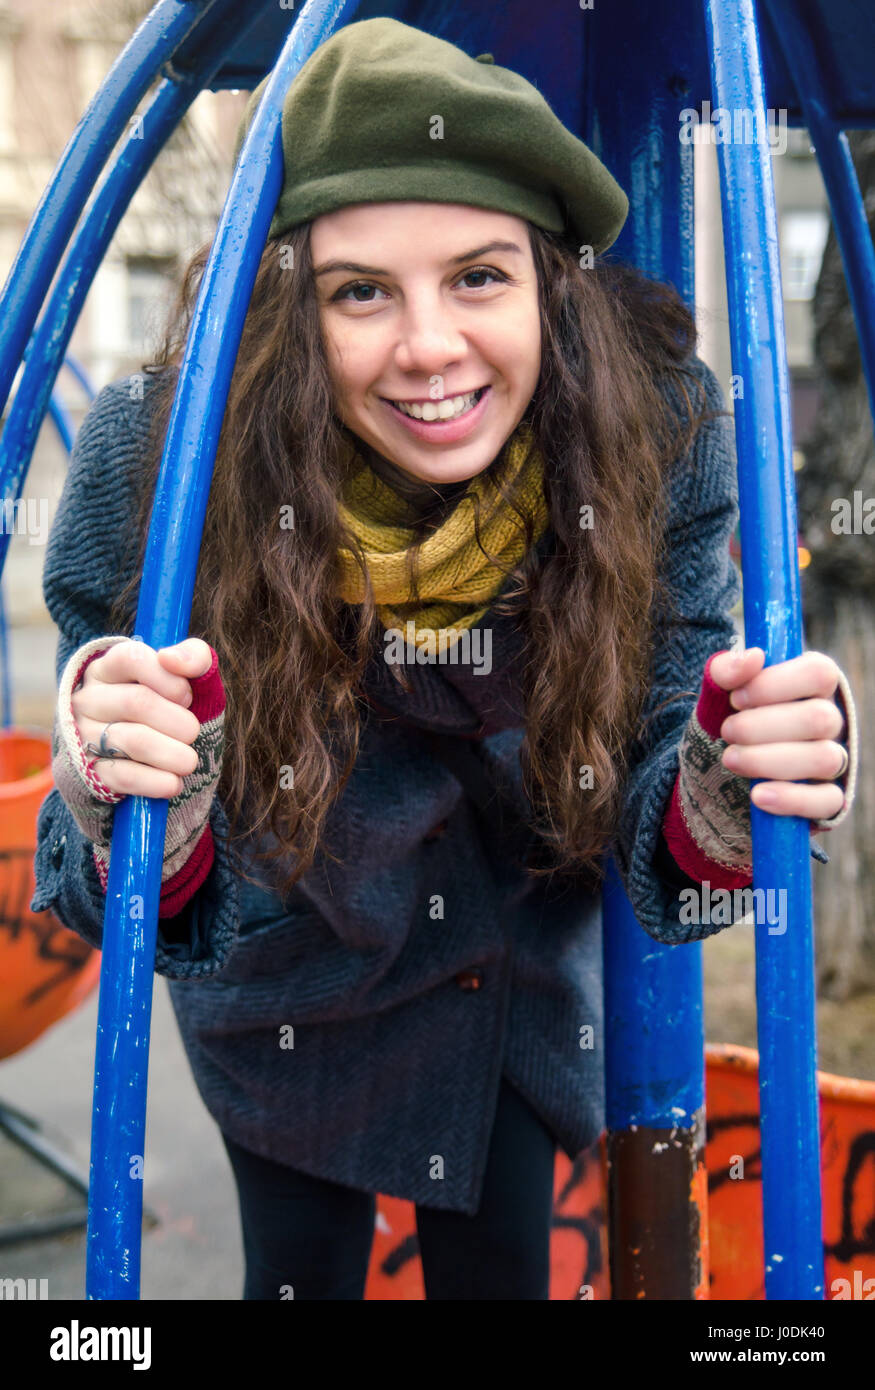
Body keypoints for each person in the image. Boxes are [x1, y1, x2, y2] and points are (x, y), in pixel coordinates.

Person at [33, 17, 857, 1301]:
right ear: (292, 311)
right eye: (360, 291)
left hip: (506, 972)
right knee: (294, 1271)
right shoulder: (172, 457)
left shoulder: (647, 443)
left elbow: (662, 810)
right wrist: (121, 777)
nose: (427, 348)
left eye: (478, 276)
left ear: (550, 286)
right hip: (284, 964)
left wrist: (728, 772)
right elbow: (111, 886)